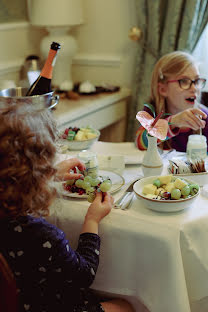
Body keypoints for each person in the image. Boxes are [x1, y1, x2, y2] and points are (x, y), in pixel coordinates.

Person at [0, 103, 136, 312]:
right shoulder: (38, 234)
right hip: (47, 304)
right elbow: (84, 274)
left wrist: (48, 175)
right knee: (126, 305)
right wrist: (92, 221)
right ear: (36, 175)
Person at [135, 51, 208, 152]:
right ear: (163, 89)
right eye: (184, 81)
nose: (194, 88)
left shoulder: (204, 116)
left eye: (196, 81)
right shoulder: (152, 112)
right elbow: (140, 143)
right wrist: (173, 122)